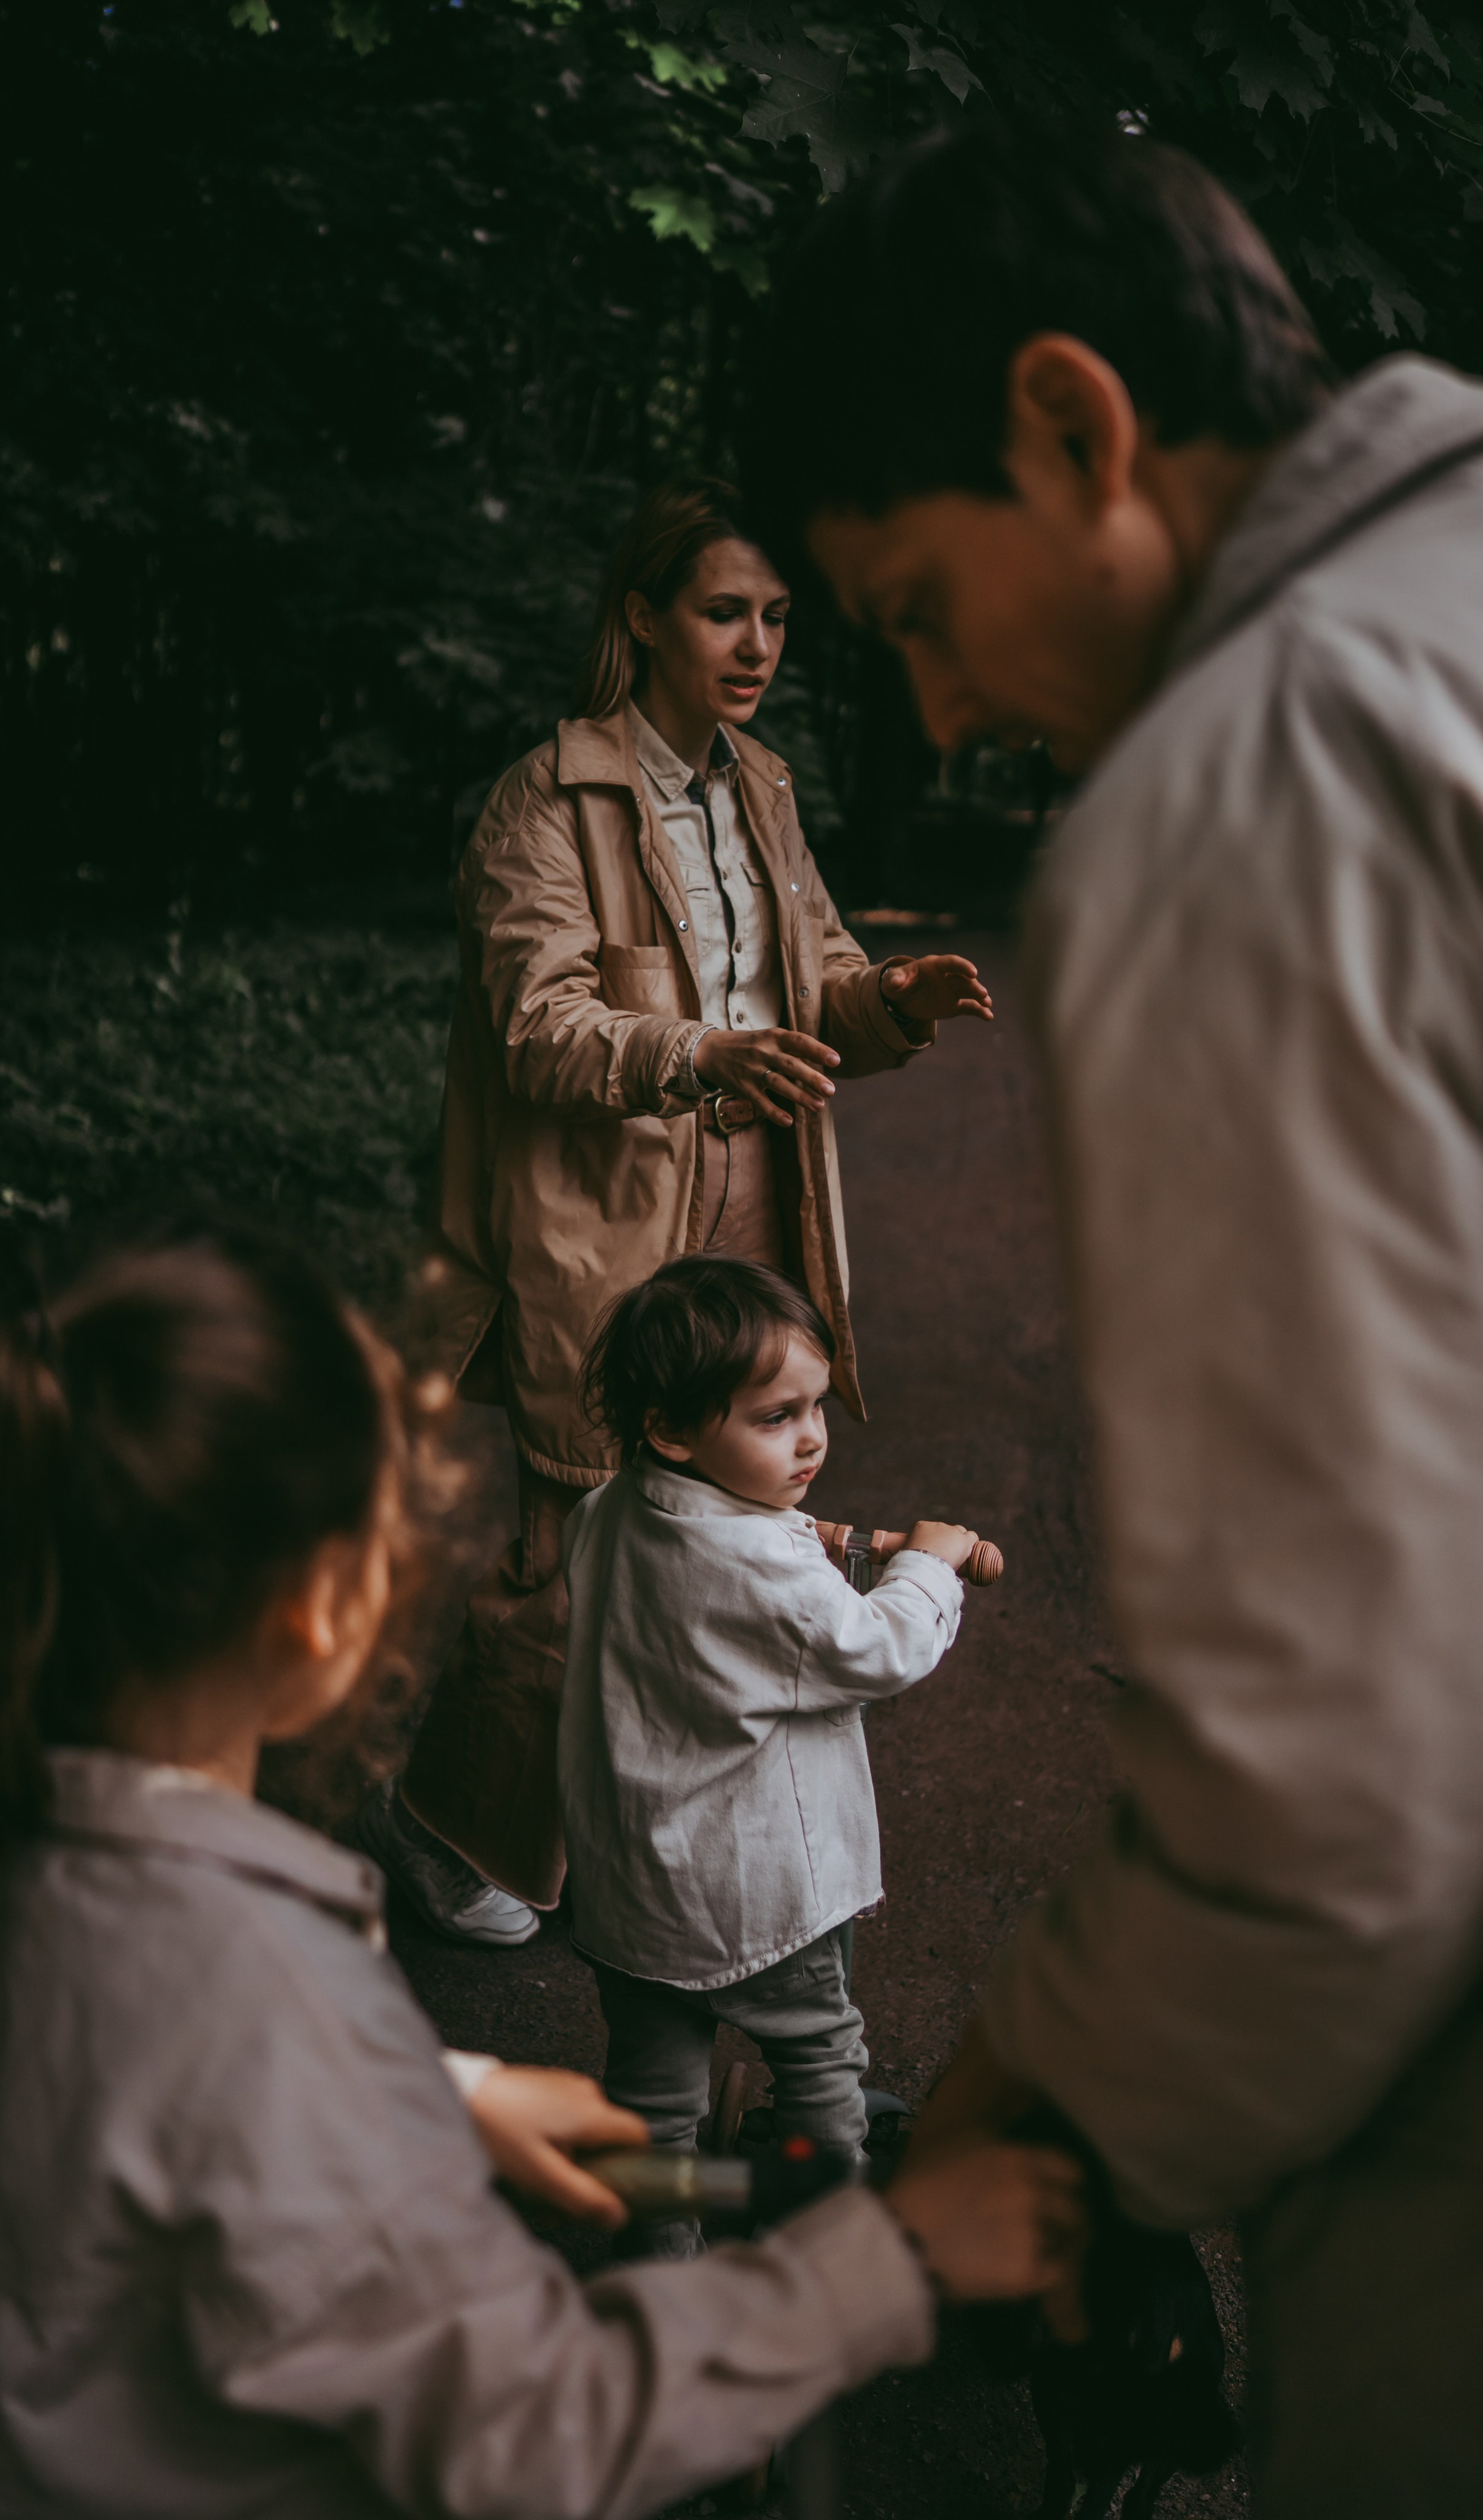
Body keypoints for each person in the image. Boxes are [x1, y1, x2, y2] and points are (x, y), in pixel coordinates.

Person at [744, 111, 1483, 2518]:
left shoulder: (1259, 778)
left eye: (915, 606)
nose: (937, 713)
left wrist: (1024, 2117)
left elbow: (1342, 1803)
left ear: (1073, 426)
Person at [0, 1223, 1085, 2517]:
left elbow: (125, 2097)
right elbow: (533, 2433)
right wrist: (893, 2258)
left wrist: (435, 2093)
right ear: (319, 1614)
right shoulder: (275, 1996)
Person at [363, 475, 995, 1946]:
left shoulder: (761, 784)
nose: (757, 642)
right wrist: (696, 1052)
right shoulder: (546, 791)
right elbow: (538, 1022)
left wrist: (885, 1001)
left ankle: (657, 1819)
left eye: (775, 616)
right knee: (572, 1541)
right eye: (724, 610)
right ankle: (461, 1826)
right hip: (597, 1227)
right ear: (641, 618)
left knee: (725, 1520)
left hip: (757, 1208)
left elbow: (819, 965)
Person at [560, 1253, 980, 2258]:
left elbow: (730, 1564)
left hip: (634, 1890)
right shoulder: (765, 1571)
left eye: (817, 1407)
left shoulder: (605, 1516)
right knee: (820, 2057)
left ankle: (655, 2262)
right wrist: (930, 1562)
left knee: (653, 2100)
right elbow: (878, 1649)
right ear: (672, 1429)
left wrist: (810, 1532)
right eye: (775, 1418)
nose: (811, 1439)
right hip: (758, 1896)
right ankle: (828, 2230)